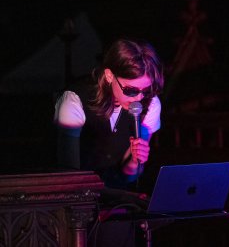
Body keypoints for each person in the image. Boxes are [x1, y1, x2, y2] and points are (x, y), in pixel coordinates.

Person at [54, 38, 164, 189]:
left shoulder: (151, 103)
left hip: (120, 194)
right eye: (131, 90)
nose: (139, 98)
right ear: (109, 76)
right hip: (80, 194)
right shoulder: (74, 99)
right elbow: (68, 170)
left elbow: (130, 176)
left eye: (145, 90)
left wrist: (134, 162)